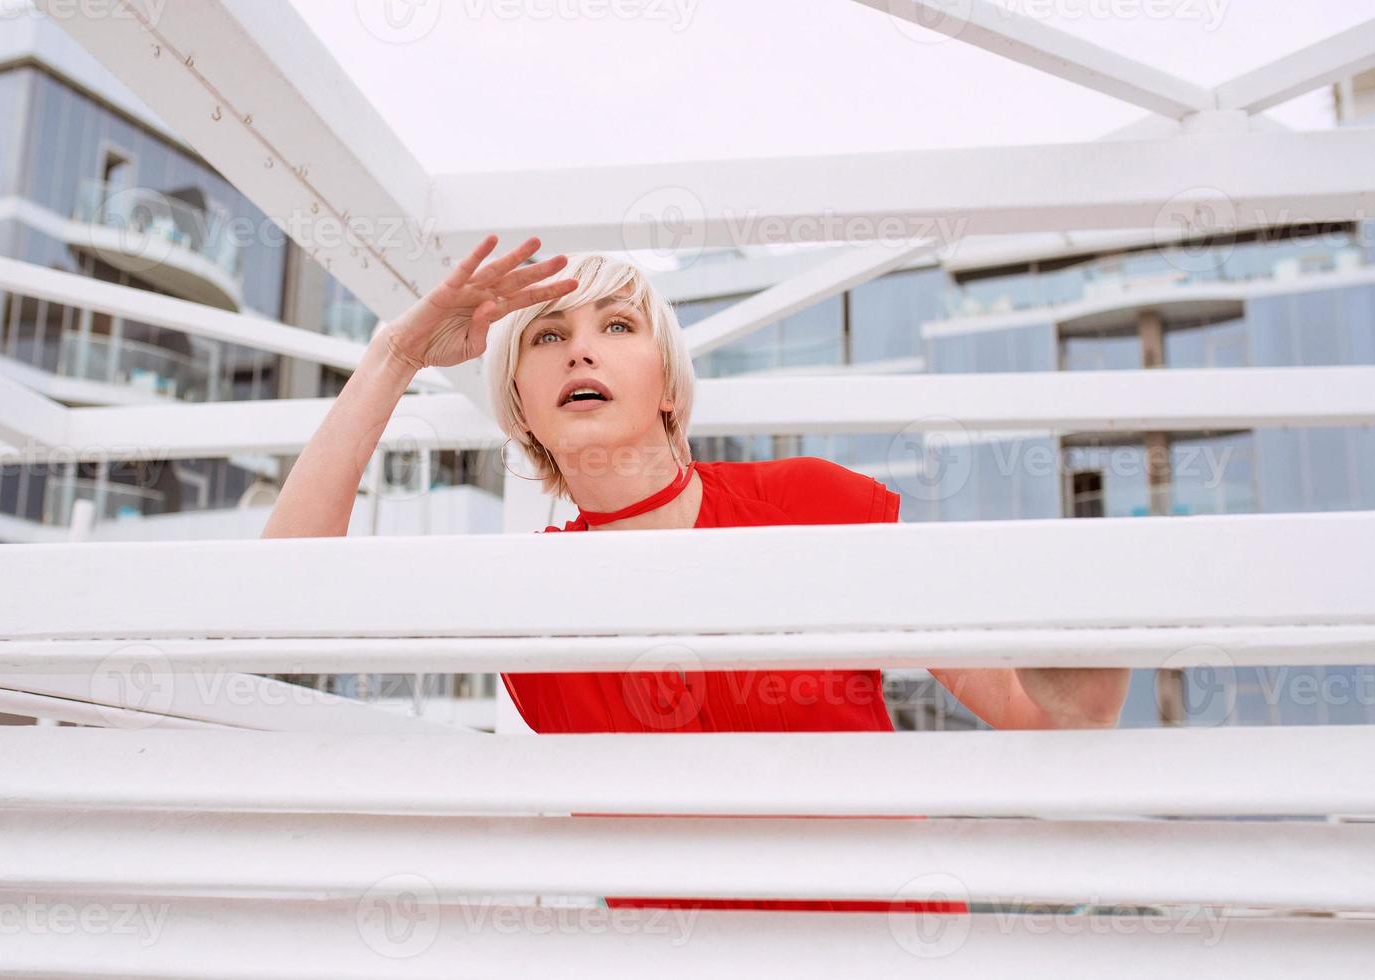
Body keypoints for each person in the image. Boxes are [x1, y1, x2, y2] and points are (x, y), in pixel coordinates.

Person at [263, 233, 1129, 915]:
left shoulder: (815, 502)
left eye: (616, 327)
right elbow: (284, 601)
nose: (579, 353)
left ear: (669, 387)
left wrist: (1082, 682)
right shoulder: (519, 590)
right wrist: (393, 358)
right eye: (549, 337)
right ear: (520, 408)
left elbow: (1032, 718)